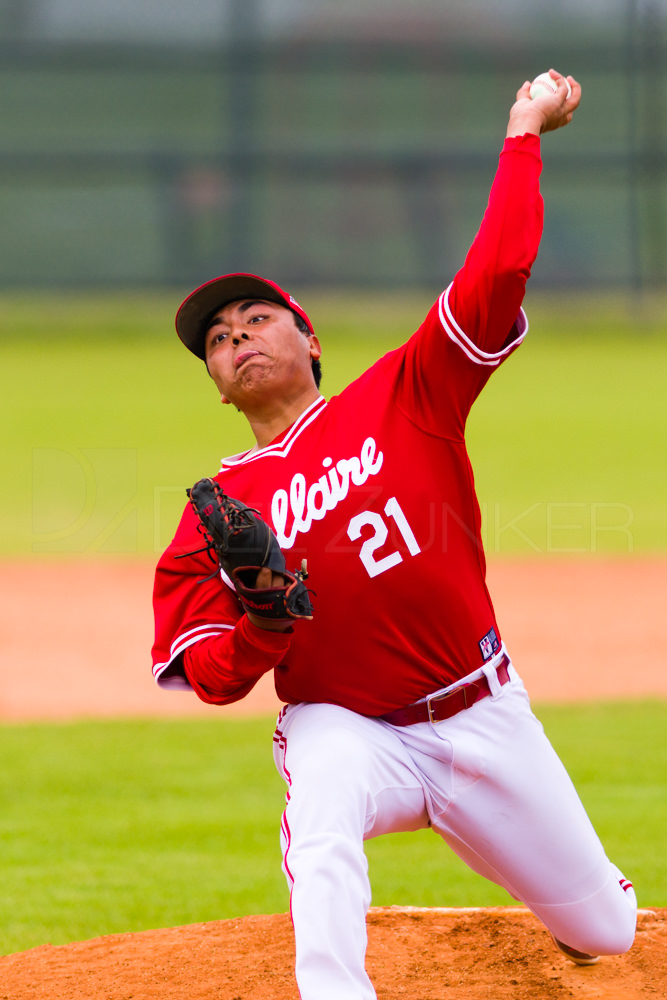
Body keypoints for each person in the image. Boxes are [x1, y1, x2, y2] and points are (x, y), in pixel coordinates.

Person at [152, 71, 637, 1000]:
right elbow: (207, 672)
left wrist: (522, 130)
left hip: (482, 712)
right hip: (350, 727)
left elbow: (494, 273)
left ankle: (536, 869)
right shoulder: (213, 510)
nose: (238, 337)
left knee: (607, 933)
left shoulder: (403, 393)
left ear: (311, 340)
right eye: (216, 338)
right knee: (321, 800)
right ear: (215, 381)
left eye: (258, 318)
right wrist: (262, 627)